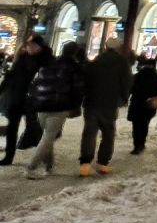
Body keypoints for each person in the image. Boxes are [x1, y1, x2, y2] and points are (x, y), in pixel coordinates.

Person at [24, 41, 84, 179]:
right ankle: (30, 167)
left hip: (41, 105)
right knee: (48, 137)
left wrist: (35, 100)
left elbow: (35, 84)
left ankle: (49, 166)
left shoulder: (48, 64)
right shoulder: (74, 67)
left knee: (48, 136)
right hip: (59, 106)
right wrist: (75, 106)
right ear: (75, 52)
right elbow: (78, 89)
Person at [79, 41, 133, 175]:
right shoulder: (122, 62)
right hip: (110, 103)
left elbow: (85, 80)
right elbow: (126, 82)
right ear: (118, 48)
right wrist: (124, 98)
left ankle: (85, 164)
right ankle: (102, 163)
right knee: (108, 134)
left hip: (92, 103)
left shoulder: (96, 60)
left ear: (106, 47)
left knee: (89, 133)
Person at [0, 34, 51, 165]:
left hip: (35, 100)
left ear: (39, 46)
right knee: (12, 128)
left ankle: (45, 159)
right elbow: (11, 75)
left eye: (33, 45)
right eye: (28, 45)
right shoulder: (22, 58)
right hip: (17, 98)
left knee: (37, 129)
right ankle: (8, 157)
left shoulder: (47, 60)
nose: (30, 47)